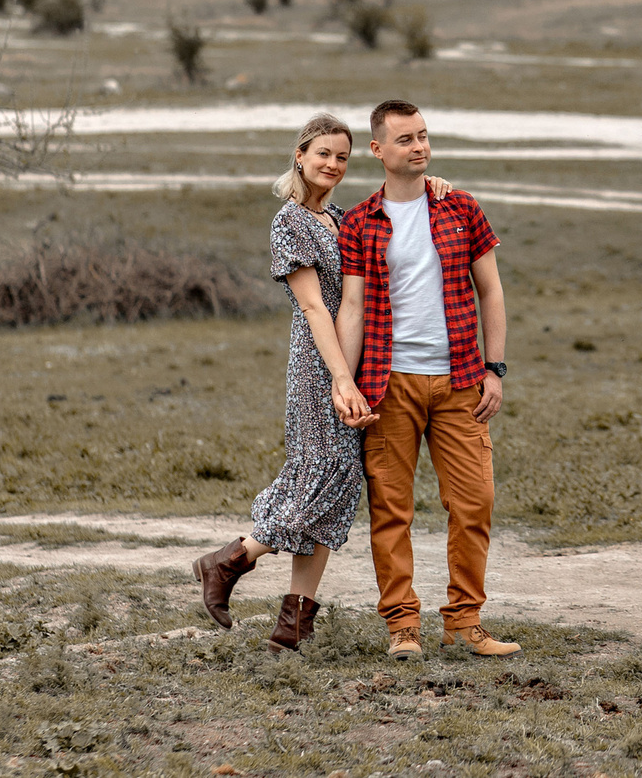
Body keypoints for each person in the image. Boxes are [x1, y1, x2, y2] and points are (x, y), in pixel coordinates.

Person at [337, 98, 518, 660]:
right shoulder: (361, 221)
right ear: (378, 150)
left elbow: (491, 289)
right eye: (406, 139)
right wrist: (345, 382)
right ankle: (402, 627)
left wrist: (495, 367)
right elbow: (351, 308)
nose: (419, 146)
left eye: (423, 136)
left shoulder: (460, 207)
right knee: (391, 509)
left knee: (475, 502)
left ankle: (465, 622)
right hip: (388, 386)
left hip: (461, 379)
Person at [190, 112, 378, 652]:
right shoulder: (288, 222)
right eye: (323, 154)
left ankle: (291, 626)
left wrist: (436, 186)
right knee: (322, 471)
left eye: (343, 157)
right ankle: (230, 561)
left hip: (351, 361)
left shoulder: (342, 218)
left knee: (337, 485)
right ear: (300, 155)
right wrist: (342, 378)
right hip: (319, 365)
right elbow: (315, 306)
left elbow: (393, 208)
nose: (333, 165)